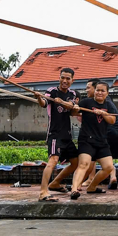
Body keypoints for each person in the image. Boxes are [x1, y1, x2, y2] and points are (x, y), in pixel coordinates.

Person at [34, 67, 80, 201]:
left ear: (72, 80)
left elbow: (71, 107)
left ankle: (55, 183)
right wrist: (38, 98)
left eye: (68, 78)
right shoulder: (52, 91)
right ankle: (43, 191)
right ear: (59, 78)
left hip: (67, 135)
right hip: (54, 134)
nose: (64, 81)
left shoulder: (72, 93)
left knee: (75, 162)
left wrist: (64, 102)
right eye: (62, 77)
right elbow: (44, 103)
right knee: (53, 160)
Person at [68, 81, 117, 199]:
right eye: (97, 90)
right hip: (86, 139)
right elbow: (73, 112)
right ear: (94, 91)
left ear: (107, 93)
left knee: (109, 167)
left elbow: (112, 120)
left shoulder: (109, 105)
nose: (99, 93)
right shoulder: (86, 102)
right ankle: (74, 190)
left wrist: (103, 113)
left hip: (102, 141)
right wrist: (75, 108)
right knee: (83, 164)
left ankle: (92, 187)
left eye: (102, 91)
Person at [88, 79, 118, 190]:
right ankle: (112, 177)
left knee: (92, 157)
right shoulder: (108, 102)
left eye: (88, 87)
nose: (87, 90)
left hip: (108, 133)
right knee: (109, 158)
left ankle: (89, 180)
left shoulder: (103, 103)